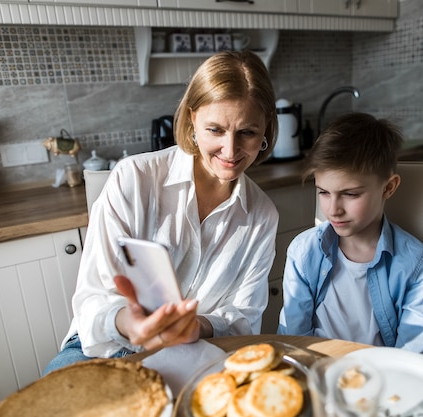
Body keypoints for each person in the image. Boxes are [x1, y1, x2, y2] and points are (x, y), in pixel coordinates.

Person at [44, 50, 280, 374]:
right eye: (215, 130)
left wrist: (198, 326)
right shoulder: (134, 179)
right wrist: (131, 324)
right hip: (109, 348)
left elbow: (244, 319)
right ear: (193, 118)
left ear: (266, 128)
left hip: (196, 353)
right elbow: (93, 301)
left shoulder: (262, 215)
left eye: (247, 133)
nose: (230, 150)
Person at [277, 112, 423, 365]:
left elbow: (412, 360)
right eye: (323, 192)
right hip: (316, 373)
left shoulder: (417, 267)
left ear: (388, 188)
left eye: (350, 194)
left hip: (386, 381)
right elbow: (294, 340)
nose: (333, 209)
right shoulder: (303, 253)